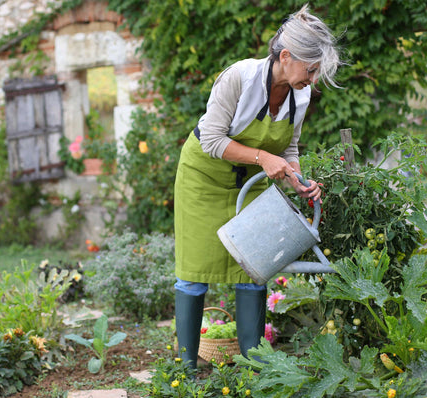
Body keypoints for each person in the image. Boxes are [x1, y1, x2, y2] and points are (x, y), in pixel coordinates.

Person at [173, 4, 340, 369]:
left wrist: (298, 180)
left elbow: (290, 147)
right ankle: (184, 368)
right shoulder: (239, 78)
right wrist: (264, 158)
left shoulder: (301, 94)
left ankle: (253, 365)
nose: (312, 79)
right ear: (286, 56)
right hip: (204, 180)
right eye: (310, 69)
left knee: (254, 266)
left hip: (249, 184)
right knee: (193, 272)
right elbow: (211, 140)